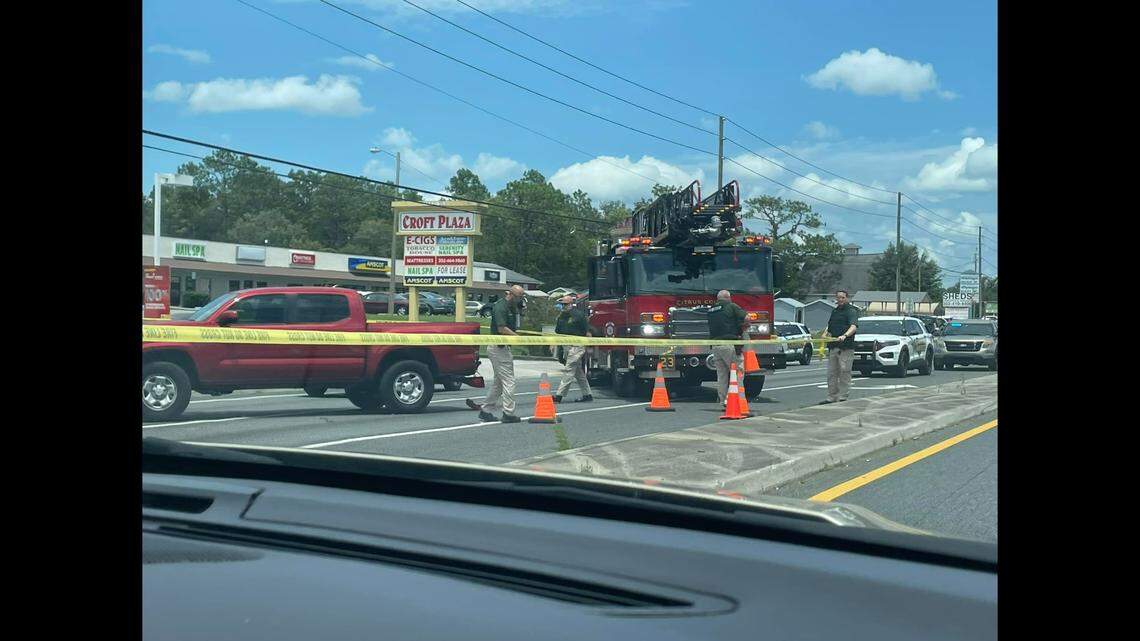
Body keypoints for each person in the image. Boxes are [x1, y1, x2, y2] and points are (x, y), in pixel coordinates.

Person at [466, 285, 525, 423]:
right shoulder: (500, 307)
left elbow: (514, 321)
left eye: (522, 297)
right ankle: (508, 413)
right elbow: (501, 328)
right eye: (519, 297)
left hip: (502, 348)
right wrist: (517, 337)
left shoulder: (511, 306)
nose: (521, 299)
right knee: (509, 381)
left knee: (498, 383)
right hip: (498, 348)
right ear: (510, 294)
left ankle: (486, 411)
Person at [707, 290, 748, 405]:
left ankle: (723, 399)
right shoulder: (731, 306)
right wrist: (744, 328)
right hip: (730, 345)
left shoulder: (711, 310)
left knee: (722, 375)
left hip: (716, 346)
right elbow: (747, 318)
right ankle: (737, 400)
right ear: (728, 298)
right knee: (737, 372)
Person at [820, 289, 859, 404]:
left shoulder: (851, 311)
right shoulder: (835, 311)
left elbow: (854, 326)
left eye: (843, 297)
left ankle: (843, 396)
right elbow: (830, 325)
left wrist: (845, 335)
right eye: (838, 297)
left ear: (847, 298)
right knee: (831, 373)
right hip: (833, 346)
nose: (840, 300)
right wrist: (825, 333)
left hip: (845, 347)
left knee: (844, 372)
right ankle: (832, 396)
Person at [552, 295, 593, 403]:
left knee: (569, 370)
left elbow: (587, 332)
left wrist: (589, 347)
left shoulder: (579, 315)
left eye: (565, 304)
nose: (563, 306)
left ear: (571, 304)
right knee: (578, 372)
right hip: (566, 346)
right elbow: (558, 332)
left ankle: (559, 395)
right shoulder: (561, 316)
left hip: (577, 346)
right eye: (562, 304)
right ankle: (587, 394)